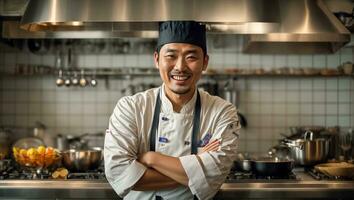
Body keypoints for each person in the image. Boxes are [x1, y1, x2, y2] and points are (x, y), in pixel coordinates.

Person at [104, 21, 241, 200]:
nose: (180, 67)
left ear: (205, 62)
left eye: (191, 57)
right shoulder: (130, 107)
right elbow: (119, 173)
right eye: (171, 56)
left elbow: (215, 176)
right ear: (156, 59)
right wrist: (197, 172)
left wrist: (151, 159)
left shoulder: (222, 112)